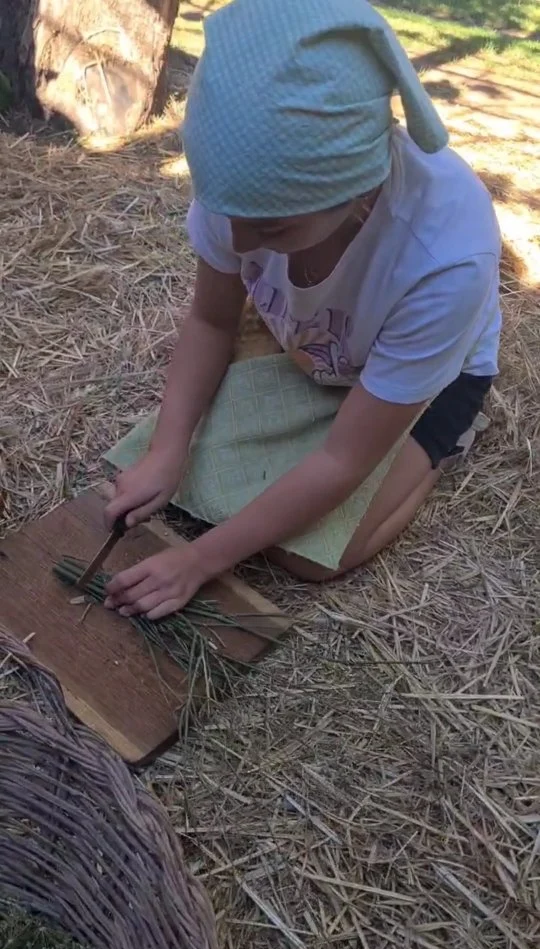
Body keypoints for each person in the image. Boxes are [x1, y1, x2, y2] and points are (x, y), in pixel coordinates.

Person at [104, 0, 501, 621]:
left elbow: (344, 458)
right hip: (317, 341)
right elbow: (212, 319)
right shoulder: (244, 189)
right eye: (225, 214)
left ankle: (442, 437)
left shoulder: (443, 259)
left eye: (273, 229)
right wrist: (167, 447)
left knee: (311, 557)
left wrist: (200, 561)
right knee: (178, 478)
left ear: (359, 188)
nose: (235, 243)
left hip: (439, 375)